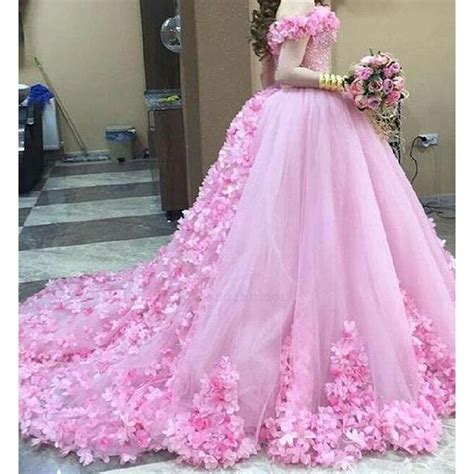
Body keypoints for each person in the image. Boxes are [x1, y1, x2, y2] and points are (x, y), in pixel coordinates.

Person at [19, 0, 455, 469]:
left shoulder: (306, 3)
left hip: (304, 118)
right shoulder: (298, 1)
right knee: (293, 227)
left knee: (335, 222)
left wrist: (349, 87)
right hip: (306, 118)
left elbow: (268, 76)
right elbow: (286, 72)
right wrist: (343, 84)